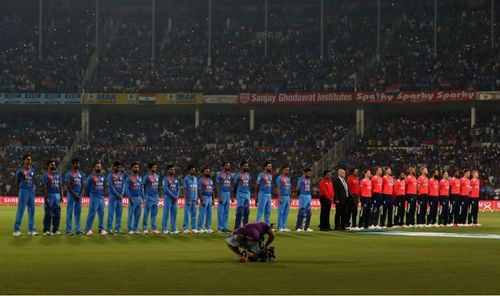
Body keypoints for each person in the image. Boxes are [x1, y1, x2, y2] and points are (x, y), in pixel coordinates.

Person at [13, 154, 38, 236]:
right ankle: (16, 230)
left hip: (31, 190)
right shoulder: (20, 170)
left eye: (30, 159)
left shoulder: (33, 170)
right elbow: (17, 181)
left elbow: (34, 180)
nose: (29, 160)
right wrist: (20, 190)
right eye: (27, 159)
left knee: (32, 210)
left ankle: (31, 230)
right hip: (23, 190)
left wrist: (34, 186)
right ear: (24, 160)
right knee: (21, 210)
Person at [84, 162, 107, 236]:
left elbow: (103, 186)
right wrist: (90, 195)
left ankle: (101, 229)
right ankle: (87, 229)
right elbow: (87, 188)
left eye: (100, 167)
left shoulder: (102, 177)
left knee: (101, 214)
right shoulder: (91, 177)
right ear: (94, 168)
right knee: (92, 213)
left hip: (101, 197)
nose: (99, 168)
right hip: (94, 197)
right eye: (97, 166)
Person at [41, 160, 63, 236]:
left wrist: (62, 196)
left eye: (54, 164)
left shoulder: (58, 175)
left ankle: (55, 230)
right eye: (51, 164)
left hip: (57, 195)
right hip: (50, 195)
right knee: (48, 213)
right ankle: (46, 230)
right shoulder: (45, 175)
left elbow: (60, 186)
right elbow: (44, 186)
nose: (53, 165)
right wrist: (46, 197)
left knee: (57, 213)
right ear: (48, 166)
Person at [64, 158, 84, 235]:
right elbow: (67, 185)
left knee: (78, 212)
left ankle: (78, 229)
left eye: (78, 163)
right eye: (76, 163)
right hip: (71, 194)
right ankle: (68, 230)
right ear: (73, 164)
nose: (77, 165)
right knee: (69, 211)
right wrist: (74, 194)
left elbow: (82, 184)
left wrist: (80, 194)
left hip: (78, 195)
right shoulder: (69, 173)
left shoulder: (80, 174)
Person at [125, 162, 144, 235]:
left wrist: (143, 198)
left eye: (137, 167)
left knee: (138, 214)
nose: (137, 168)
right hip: (132, 197)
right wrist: (130, 198)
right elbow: (127, 189)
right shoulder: (129, 178)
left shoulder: (140, 177)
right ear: (132, 168)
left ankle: (135, 229)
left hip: (139, 198)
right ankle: (130, 229)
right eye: (135, 167)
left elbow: (141, 188)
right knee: (131, 214)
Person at [107, 161, 125, 234]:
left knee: (119, 213)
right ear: (114, 167)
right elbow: (111, 186)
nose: (119, 168)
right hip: (113, 196)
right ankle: (109, 228)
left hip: (120, 197)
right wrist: (117, 194)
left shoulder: (122, 175)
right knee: (111, 213)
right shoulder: (110, 175)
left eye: (120, 167)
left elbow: (123, 185)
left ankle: (118, 228)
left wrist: (122, 193)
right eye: (118, 167)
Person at [162, 164, 180, 234]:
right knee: (166, 213)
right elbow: (166, 189)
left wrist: (176, 196)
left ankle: (174, 228)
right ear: (167, 170)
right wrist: (173, 196)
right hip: (168, 198)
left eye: (173, 169)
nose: (173, 170)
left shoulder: (176, 179)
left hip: (175, 198)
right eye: (171, 169)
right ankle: (164, 229)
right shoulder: (165, 179)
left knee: (174, 214)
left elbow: (178, 188)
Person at [143, 163, 160, 234]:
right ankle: (145, 228)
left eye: (156, 167)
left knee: (154, 213)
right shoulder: (147, 176)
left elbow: (157, 186)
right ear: (150, 168)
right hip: (149, 196)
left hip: (155, 197)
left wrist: (158, 195)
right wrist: (144, 196)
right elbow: (143, 186)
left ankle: (154, 228)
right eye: (154, 167)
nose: (155, 169)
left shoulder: (157, 176)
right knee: (146, 213)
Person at [233, 161, 251, 229]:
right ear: (241, 167)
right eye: (245, 166)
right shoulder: (238, 175)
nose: (247, 167)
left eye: (247, 166)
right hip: (240, 194)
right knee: (240, 211)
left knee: (247, 211)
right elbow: (235, 185)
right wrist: (234, 194)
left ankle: (245, 226)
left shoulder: (248, 175)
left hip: (247, 194)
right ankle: (237, 227)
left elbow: (248, 184)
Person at [215, 161, 232, 232]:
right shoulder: (219, 174)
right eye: (227, 165)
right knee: (220, 211)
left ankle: (225, 227)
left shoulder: (229, 175)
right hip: (222, 193)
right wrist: (219, 196)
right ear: (223, 166)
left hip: (228, 193)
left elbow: (230, 185)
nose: (228, 167)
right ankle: (220, 227)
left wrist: (232, 196)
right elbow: (217, 185)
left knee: (226, 211)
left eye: (229, 165)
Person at [197, 167, 214, 233]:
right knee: (202, 213)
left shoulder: (210, 180)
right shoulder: (201, 180)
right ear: (203, 172)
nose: (208, 172)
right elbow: (199, 190)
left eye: (208, 171)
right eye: (206, 171)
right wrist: (201, 200)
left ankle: (208, 228)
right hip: (204, 197)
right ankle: (199, 228)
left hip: (209, 197)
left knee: (209, 214)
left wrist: (213, 200)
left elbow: (212, 190)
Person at [275, 165, 292, 232]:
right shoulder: (279, 178)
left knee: (286, 212)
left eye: (288, 170)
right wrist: (279, 196)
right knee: (281, 212)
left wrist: (290, 197)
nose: (288, 171)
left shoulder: (288, 178)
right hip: (282, 196)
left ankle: (284, 226)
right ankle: (280, 226)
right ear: (283, 170)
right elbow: (278, 188)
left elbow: (289, 188)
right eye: (286, 169)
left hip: (287, 196)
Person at [183, 165, 198, 233]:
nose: (194, 171)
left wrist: (197, 198)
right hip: (188, 199)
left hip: (194, 198)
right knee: (187, 213)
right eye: (192, 170)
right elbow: (185, 189)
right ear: (189, 170)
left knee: (194, 214)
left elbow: (195, 188)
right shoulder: (186, 179)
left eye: (194, 170)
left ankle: (193, 227)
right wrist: (187, 199)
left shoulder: (195, 178)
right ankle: (185, 228)